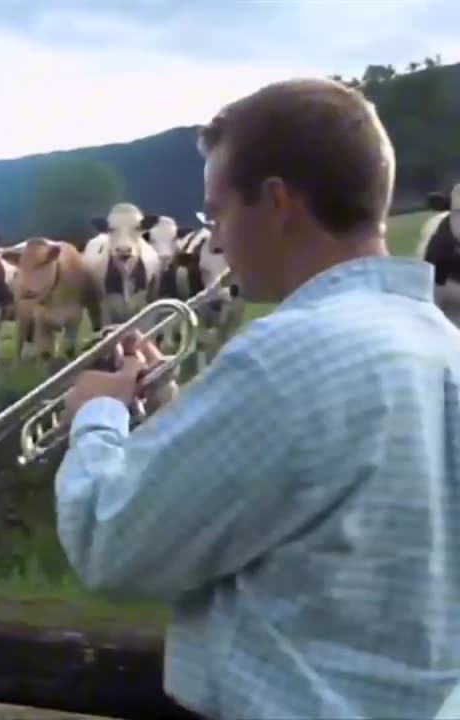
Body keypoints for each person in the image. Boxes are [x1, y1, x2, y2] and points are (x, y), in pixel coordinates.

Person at [53, 77, 460, 719]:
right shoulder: (440, 341)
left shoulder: (286, 352)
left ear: (276, 202)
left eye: (217, 214)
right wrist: (176, 414)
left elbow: (112, 542)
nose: (214, 242)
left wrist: (97, 416)